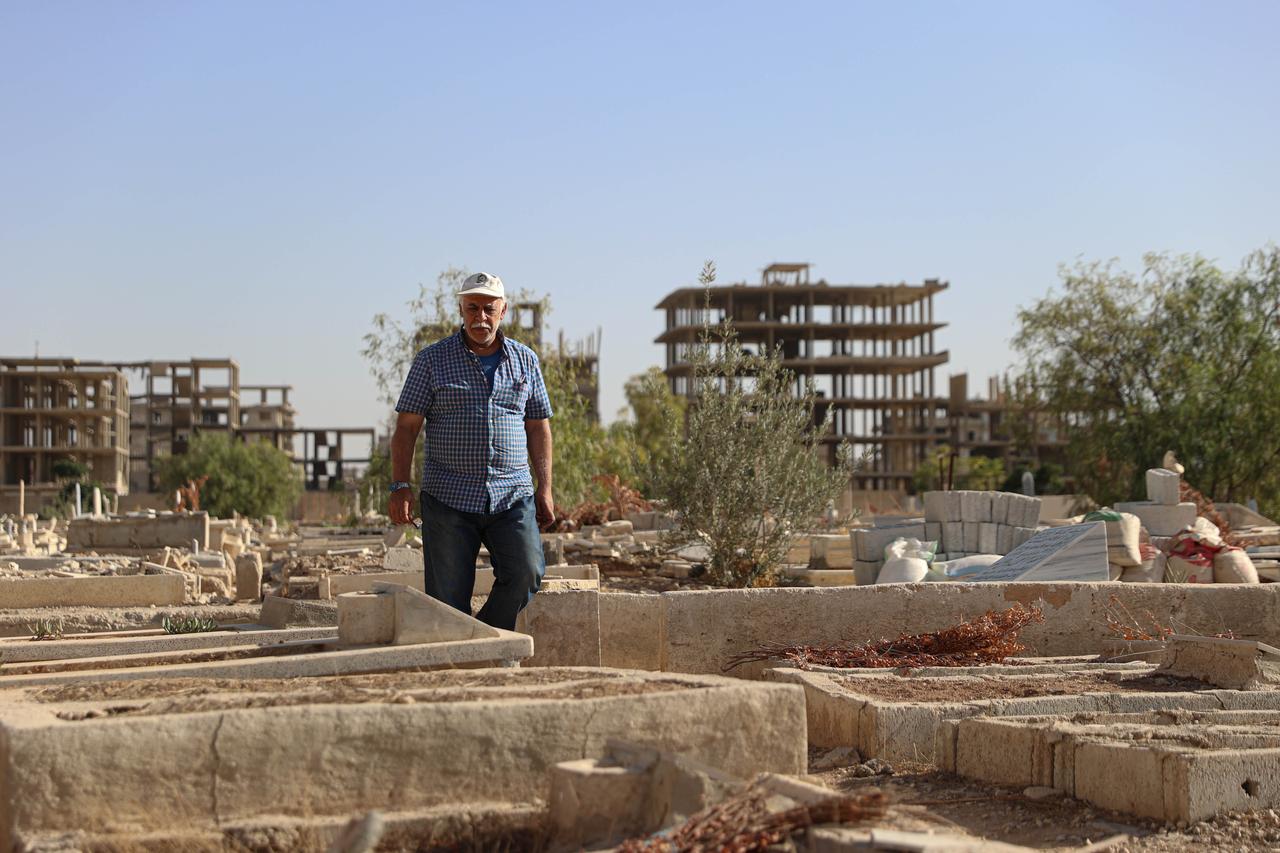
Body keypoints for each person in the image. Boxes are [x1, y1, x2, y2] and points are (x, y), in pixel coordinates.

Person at [387, 272, 554, 630]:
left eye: (489, 309)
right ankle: (462, 665)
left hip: (512, 495)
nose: (481, 318)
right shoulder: (432, 360)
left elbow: (539, 426)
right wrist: (399, 485)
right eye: (472, 308)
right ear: (461, 311)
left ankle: (485, 636)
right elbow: (406, 428)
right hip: (449, 497)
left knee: (526, 572)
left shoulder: (525, 361)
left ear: (503, 311)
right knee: (447, 601)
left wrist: (545, 487)